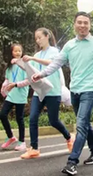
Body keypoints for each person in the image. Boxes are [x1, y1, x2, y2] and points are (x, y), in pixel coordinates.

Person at [31, 12, 93, 176]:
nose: (83, 25)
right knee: (84, 123)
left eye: (86, 23)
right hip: (75, 90)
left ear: (90, 25)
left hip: (90, 89)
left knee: (81, 124)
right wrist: (41, 74)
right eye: (80, 22)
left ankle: (72, 162)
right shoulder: (69, 45)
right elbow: (57, 63)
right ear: (75, 25)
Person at [20, 28, 74, 159]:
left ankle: (69, 137)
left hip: (53, 91)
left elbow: (53, 63)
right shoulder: (37, 55)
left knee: (53, 120)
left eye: (40, 37)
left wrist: (33, 58)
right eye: (36, 38)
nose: (38, 40)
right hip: (38, 91)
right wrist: (19, 62)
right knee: (33, 118)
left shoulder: (55, 51)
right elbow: (30, 69)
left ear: (47, 36)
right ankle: (34, 148)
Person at [0, 43, 29, 151]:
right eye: (15, 51)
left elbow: (28, 81)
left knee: (19, 118)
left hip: (21, 94)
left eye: (19, 51)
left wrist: (16, 84)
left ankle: (22, 142)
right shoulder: (10, 66)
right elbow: (7, 79)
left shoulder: (25, 65)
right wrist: (4, 87)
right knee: (2, 115)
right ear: (11, 53)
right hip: (11, 94)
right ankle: (11, 137)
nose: (17, 53)